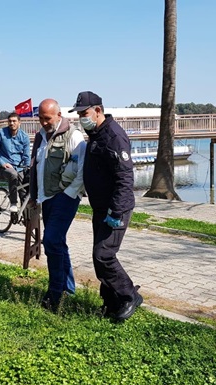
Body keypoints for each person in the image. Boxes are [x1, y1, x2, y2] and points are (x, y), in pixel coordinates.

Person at [70, 91, 142, 322]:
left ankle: (129, 295)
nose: (82, 118)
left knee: (104, 255)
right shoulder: (95, 133)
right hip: (100, 207)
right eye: (80, 114)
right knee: (97, 256)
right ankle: (112, 302)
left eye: (84, 113)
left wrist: (116, 211)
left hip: (114, 209)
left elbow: (124, 178)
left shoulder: (114, 136)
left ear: (98, 111)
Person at [29, 98, 86, 311]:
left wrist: (69, 194)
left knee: (51, 242)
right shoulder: (40, 137)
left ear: (58, 115)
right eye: (41, 118)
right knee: (59, 243)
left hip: (65, 197)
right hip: (46, 197)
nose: (43, 122)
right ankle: (68, 288)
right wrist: (35, 195)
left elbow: (82, 170)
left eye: (47, 118)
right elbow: (37, 167)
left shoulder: (74, 136)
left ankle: (55, 294)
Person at [0, 112, 31, 212]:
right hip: (5, 167)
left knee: (25, 188)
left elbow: (26, 156)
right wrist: (2, 163)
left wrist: (29, 168)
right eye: (10, 121)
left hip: (19, 167)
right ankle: (13, 203)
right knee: (13, 174)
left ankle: (26, 214)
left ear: (19, 123)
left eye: (14, 121)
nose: (12, 123)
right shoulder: (1, 133)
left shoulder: (24, 137)